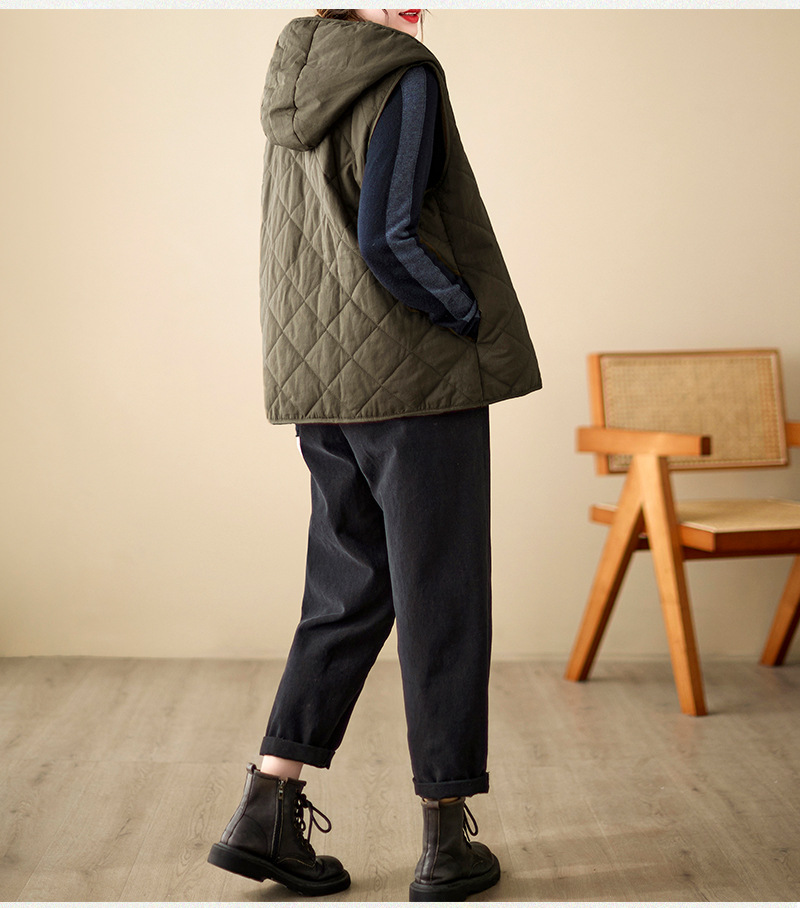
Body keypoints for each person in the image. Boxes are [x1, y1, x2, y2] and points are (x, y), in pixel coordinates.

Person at [207, 8, 541, 902]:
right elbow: (388, 235)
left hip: (324, 384)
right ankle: (445, 840)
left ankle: (265, 806)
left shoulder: (294, 80)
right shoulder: (403, 72)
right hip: (415, 385)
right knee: (444, 599)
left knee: (347, 590)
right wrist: (464, 315)